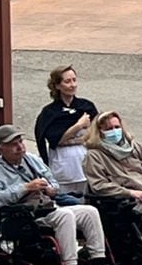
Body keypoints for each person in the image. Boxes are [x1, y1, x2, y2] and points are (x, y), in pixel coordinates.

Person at [0, 125, 113, 265]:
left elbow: (54, 182)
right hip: (24, 215)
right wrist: (25, 188)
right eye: (13, 144)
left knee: (89, 211)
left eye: (20, 141)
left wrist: (51, 189)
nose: (19, 147)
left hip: (47, 207)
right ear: (1, 148)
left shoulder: (32, 159)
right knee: (65, 215)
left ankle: (99, 260)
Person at [83, 110, 142, 265]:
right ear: (100, 131)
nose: (114, 131)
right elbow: (99, 185)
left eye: (117, 127)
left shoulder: (133, 146)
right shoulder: (94, 155)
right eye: (109, 128)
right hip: (126, 200)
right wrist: (130, 192)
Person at [33, 65, 97, 197]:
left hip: (86, 163)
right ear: (57, 85)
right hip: (63, 166)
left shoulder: (86, 106)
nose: (72, 85)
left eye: (74, 80)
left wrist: (71, 139)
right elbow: (56, 140)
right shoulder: (50, 112)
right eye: (67, 81)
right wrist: (78, 126)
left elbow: (95, 135)